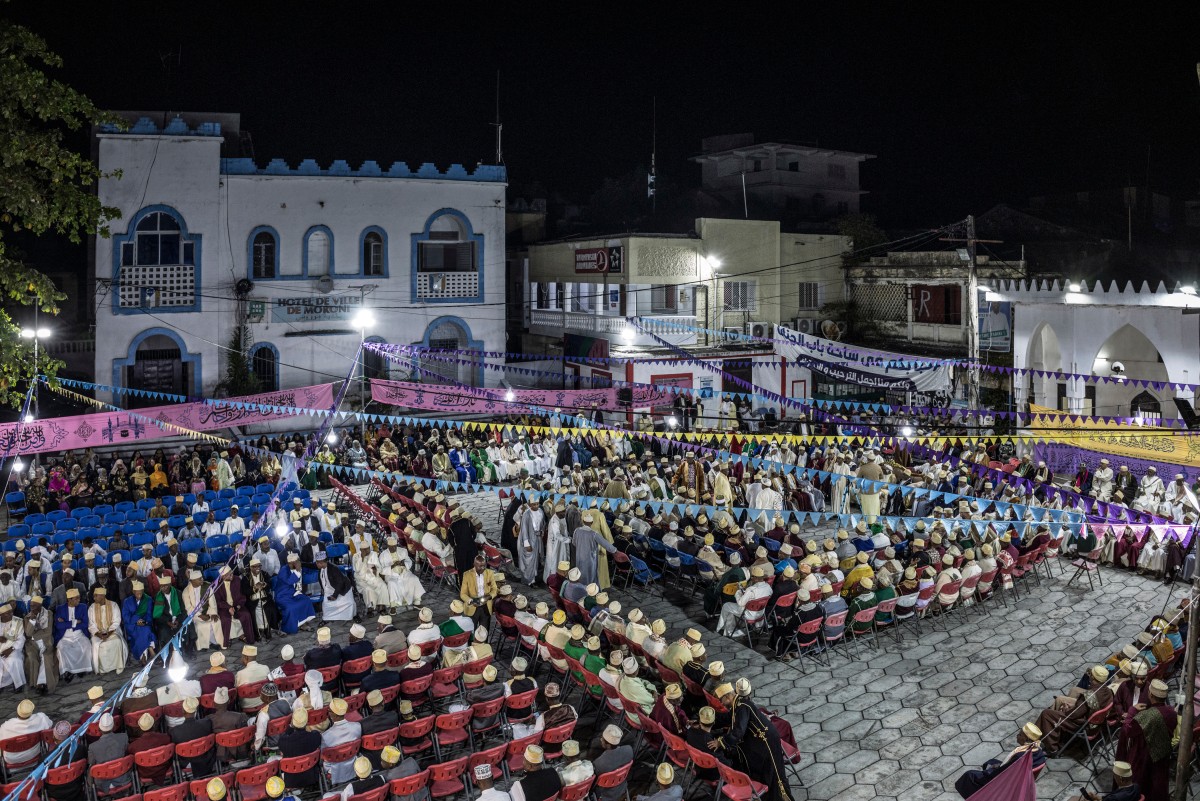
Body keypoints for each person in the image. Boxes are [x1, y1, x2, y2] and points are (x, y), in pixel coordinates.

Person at [711, 680, 794, 801]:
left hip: (767, 743)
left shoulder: (742, 706)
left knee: (776, 775)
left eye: (721, 700)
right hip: (758, 742)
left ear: (728, 696)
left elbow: (738, 732)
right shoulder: (737, 705)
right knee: (766, 773)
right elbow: (728, 718)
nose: (721, 704)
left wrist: (721, 742)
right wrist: (708, 720)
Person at [1116, 678, 1176, 801]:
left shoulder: (1146, 716)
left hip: (1144, 756)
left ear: (1150, 694)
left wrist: (1132, 710)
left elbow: (1128, 731)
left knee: (1143, 783)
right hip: (1163, 754)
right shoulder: (1172, 712)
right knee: (1158, 783)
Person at [1037, 665, 1114, 754]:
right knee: (1059, 707)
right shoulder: (1108, 691)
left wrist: (1067, 709)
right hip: (1096, 725)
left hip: (1083, 726)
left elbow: (1073, 715)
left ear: (1093, 677)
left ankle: (1052, 748)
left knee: (1047, 713)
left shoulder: (1089, 696)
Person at [170, 697, 216, 777]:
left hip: (187, 763)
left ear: (183, 711)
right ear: (195, 711)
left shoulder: (175, 731)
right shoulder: (207, 723)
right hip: (206, 759)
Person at [0, 700, 52, 771]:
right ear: (31, 711)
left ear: (18, 711)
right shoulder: (41, 718)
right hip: (34, 755)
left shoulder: (5, 727)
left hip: (11, 760)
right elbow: (50, 725)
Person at [278, 708, 322, 788]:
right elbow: (314, 733)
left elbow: (283, 736)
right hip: (311, 778)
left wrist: (290, 726)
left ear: (293, 723)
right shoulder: (315, 737)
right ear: (307, 722)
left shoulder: (284, 741)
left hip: (291, 781)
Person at [23, 595, 58, 694]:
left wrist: (34, 635)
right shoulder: (28, 617)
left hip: (46, 642)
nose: (32, 608)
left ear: (40, 605)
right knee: (32, 658)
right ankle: (35, 683)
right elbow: (28, 633)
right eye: (31, 606)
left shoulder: (48, 614)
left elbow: (48, 632)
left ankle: (42, 684)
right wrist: (32, 620)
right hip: (32, 644)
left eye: (34, 606)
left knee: (45, 657)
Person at [88, 714, 131, 795]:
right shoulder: (124, 737)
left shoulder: (92, 747)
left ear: (100, 728)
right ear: (113, 726)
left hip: (103, 784)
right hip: (123, 778)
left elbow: (91, 765)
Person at [322, 697, 361, 785]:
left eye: (329, 711)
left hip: (334, 772)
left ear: (332, 714)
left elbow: (323, 755)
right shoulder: (357, 727)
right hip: (354, 766)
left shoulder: (325, 736)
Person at [88, 587, 127, 675]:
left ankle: (118, 666)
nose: (94, 597)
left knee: (116, 641)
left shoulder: (113, 605)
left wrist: (108, 633)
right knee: (97, 644)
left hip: (112, 631)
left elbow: (116, 621)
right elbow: (91, 624)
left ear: (102, 596)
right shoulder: (91, 607)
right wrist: (99, 634)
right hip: (98, 633)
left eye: (95, 596)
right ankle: (103, 669)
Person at [273, 554, 316, 634]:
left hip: (294, 593)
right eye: (291, 563)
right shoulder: (284, 570)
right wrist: (297, 570)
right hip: (282, 596)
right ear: (288, 563)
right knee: (291, 608)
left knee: (306, 600)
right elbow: (289, 581)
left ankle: (302, 624)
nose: (293, 564)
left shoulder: (299, 567)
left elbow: (309, 569)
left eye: (295, 562)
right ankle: (288, 628)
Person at [127, 712, 173, 787]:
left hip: (145, 772)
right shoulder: (165, 738)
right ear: (153, 725)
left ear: (140, 728)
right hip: (163, 768)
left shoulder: (133, 746)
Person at [593, 724, 634, 801]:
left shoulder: (599, 763)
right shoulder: (629, 750)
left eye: (602, 739)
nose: (601, 739)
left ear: (608, 744)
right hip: (622, 788)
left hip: (605, 795)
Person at [1072, 760, 1140, 801]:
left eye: (1115, 776)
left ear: (1121, 779)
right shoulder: (1137, 787)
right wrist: (1097, 797)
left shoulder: (1115, 798)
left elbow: (1112, 799)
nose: (1114, 779)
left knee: (1074, 799)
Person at [0, 603, 27, 692]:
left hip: (13, 648)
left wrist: (11, 649)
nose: (11, 615)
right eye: (7, 613)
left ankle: (19, 684)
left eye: (11, 612)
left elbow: (21, 638)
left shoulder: (18, 621)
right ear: (1, 615)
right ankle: (2, 684)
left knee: (14, 660)